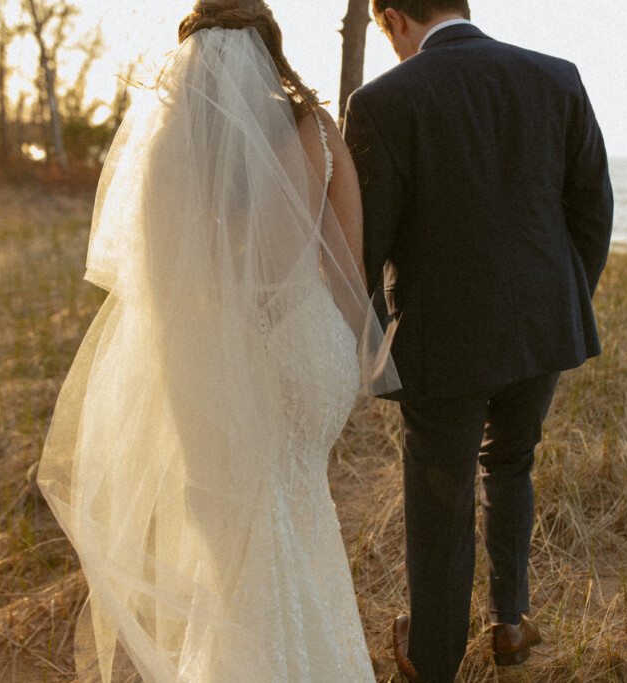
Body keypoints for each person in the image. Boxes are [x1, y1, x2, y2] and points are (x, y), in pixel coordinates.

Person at [37, 1, 398, 680]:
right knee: (298, 514)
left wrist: (211, 343)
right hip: (307, 354)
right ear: (271, 48)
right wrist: (347, 357)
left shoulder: (169, 144)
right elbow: (350, 274)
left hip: (206, 361)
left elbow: (155, 278)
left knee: (231, 538)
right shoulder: (316, 129)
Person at [342, 0, 613, 680]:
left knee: (441, 489)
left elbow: (365, 247)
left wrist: (368, 337)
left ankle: (432, 654)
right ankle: (511, 622)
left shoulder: (381, 102)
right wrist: (562, 300)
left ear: (392, 20)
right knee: (512, 459)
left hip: (440, 338)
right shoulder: (559, 77)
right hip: (542, 326)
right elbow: (593, 207)